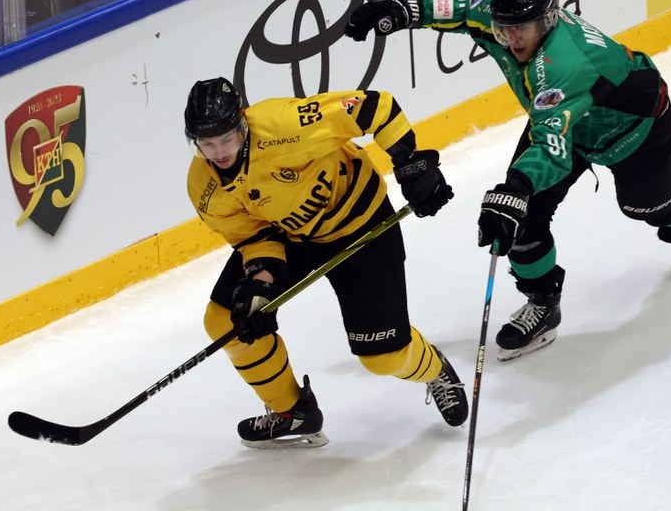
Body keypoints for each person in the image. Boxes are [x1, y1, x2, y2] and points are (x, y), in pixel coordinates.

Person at [344, 0, 671, 362]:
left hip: (634, 131)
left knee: (648, 207)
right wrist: (403, 9)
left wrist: (517, 185)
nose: (512, 38)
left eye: (523, 28)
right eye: (504, 28)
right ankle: (544, 302)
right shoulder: (501, 15)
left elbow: (552, 151)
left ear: (549, 20)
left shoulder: (564, 65)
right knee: (518, 219)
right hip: (561, 121)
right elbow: (457, 7)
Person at [184, 77, 467, 448]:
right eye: (207, 143)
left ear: (242, 124)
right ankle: (292, 412)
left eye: (226, 139)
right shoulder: (203, 186)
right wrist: (260, 284)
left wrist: (410, 162)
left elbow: (374, 107)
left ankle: (434, 369)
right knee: (225, 321)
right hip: (295, 236)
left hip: (362, 225)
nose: (219, 152)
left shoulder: (284, 124)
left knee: (384, 358)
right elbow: (254, 237)